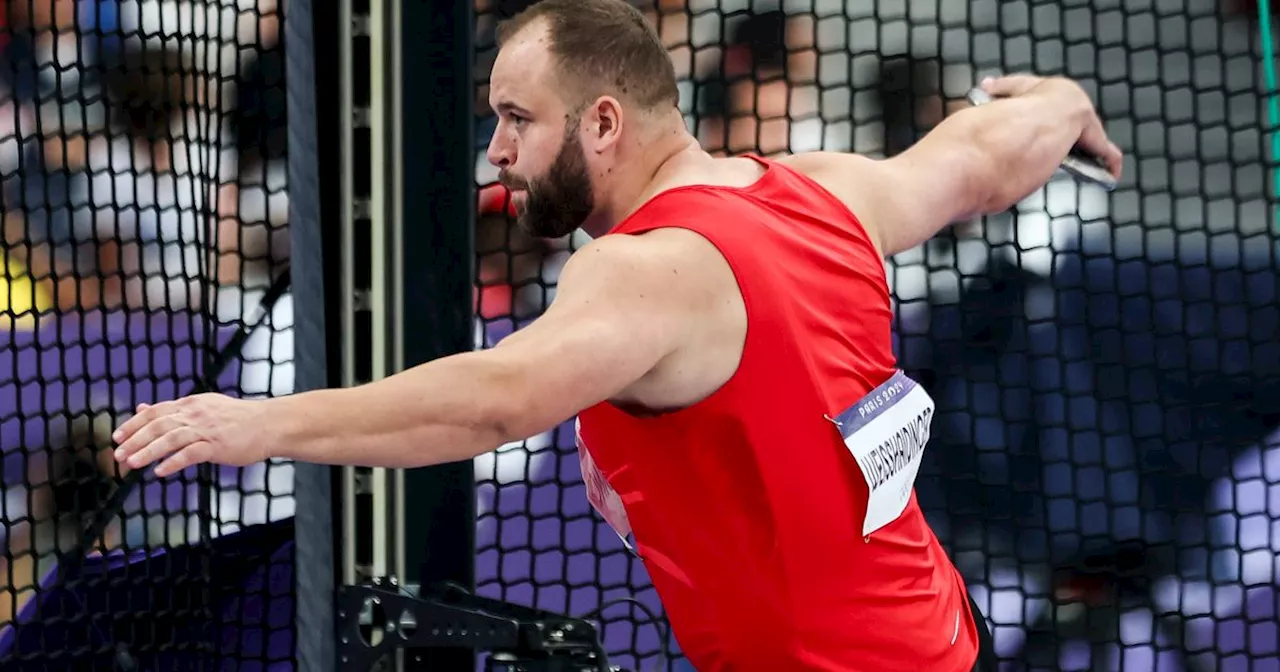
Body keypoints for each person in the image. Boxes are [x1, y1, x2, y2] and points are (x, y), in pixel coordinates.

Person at [111, 0, 1122, 669]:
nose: (496, 150)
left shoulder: (637, 266)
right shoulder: (819, 189)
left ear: (601, 123)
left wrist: (255, 424)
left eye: (516, 119)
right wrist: (1062, 101)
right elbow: (979, 156)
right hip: (945, 639)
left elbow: (498, 398)